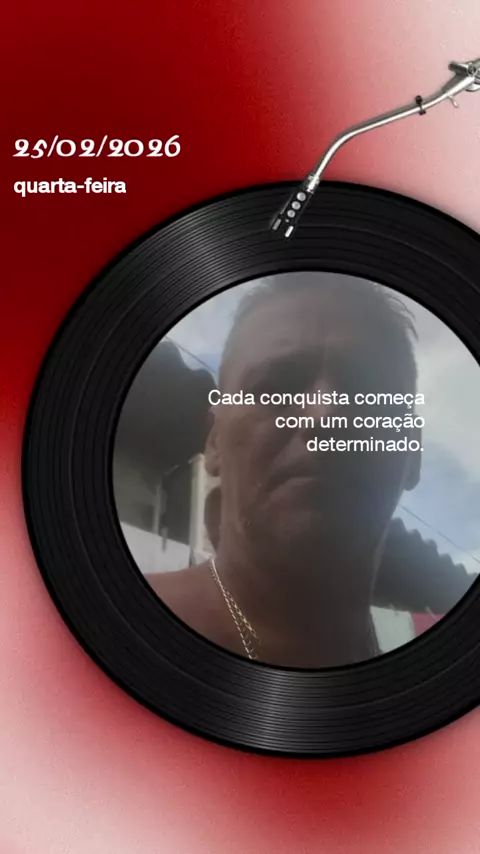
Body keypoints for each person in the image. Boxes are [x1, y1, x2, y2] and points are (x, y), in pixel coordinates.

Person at [147, 276, 444, 666]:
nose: (324, 415)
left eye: (366, 392)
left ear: (411, 452)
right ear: (215, 441)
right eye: (275, 386)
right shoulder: (113, 629)